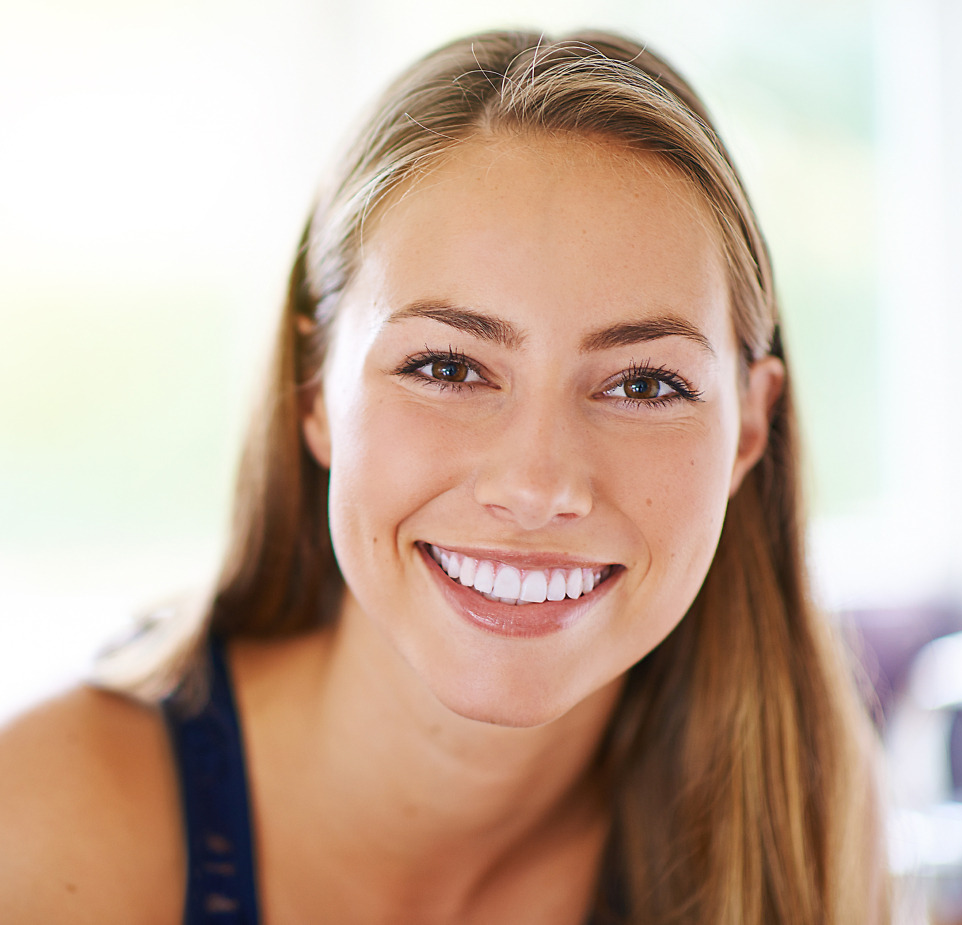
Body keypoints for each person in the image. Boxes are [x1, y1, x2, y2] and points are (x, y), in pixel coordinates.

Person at [0, 28, 888, 924]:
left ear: (749, 429)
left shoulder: (802, 830)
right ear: (312, 391)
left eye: (644, 383)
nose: (538, 484)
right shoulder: (42, 829)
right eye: (448, 368)